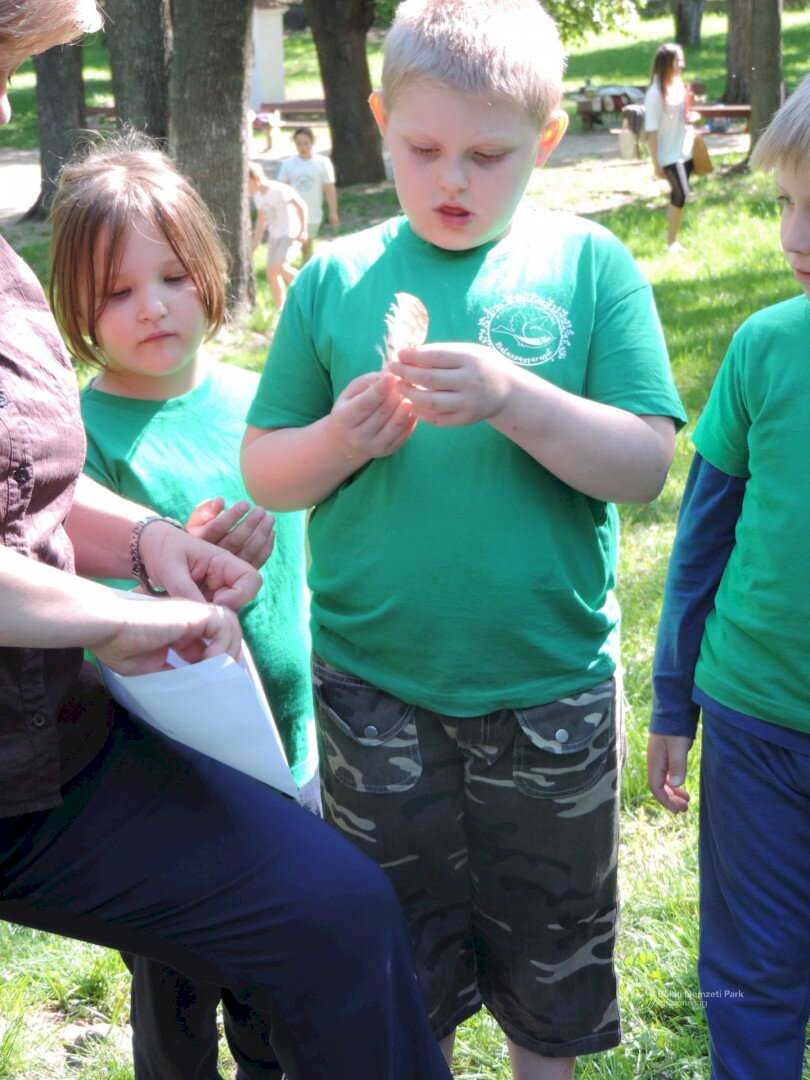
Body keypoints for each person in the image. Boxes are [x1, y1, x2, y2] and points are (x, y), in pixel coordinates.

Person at [0, 5, 454, 1079]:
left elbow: (26, 489)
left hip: (70, 750)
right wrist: (125, 614)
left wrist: (149, 540)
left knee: (333, 911)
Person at [241, 1, 686, 1075]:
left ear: (545, 140)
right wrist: (340, 439)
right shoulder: (338, 277)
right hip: (376, 693)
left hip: (548, 690)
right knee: (398, 962)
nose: (453, 181)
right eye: (423, 149)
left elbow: (641, 466)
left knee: (552, 971)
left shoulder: (589, 265)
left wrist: (515, 399)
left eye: (488, 157)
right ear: (380, 122)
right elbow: (266, 470)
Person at [49, 134, 319, 1079]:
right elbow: (72, 595)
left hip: (291, 746)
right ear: (73, 307)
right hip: (160, 775)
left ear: (210, 266)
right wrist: (170, 566)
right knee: (174, 998)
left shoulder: (265, 406)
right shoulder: (77, 437)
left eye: (171, 276)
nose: (153, 307)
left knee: (279, 997)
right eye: (116, 292)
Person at [648, 75, 810, 1080]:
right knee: (751, 984)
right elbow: (702, 538)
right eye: (789, 201)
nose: (795, 234)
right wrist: (673, 699)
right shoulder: (764, 347)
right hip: (756, 726)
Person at [644, 42, 698, 253]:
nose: (682, 65)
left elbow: (683, 115)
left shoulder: (678, 85)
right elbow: (651, 132)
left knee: (680, 195)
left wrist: (693, 117)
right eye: (678, 61)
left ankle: (674, 241)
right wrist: (656, 163)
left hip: (685, 149)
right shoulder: (655, 94)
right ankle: (671, 243)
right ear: (667, 63)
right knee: (680, 192)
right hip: (668, 154)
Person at [248, 161, 307, 312]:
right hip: (274, 236)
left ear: (255, 177)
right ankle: (281, 309)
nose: (245, 187)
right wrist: (255, 242)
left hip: (290, 233)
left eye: (246, 182)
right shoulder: (257, 196)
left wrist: (303, 230)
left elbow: (300, 205)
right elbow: (261, 219)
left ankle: (310, 288)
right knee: (271, 272)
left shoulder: (278, 189)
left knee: (281, 267)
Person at [278, 126, 339, 262]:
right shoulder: (288, 164)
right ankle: (298, 267)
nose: (302, 147)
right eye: (299, 143)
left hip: (313, 212)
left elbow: (329, 189)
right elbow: (282, 190)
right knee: (297, 245)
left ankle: (305, 267)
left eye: (306, 143)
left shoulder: (322, 163)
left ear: (312, 142)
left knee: (306, 245)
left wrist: (333, 212)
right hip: (293, 213)